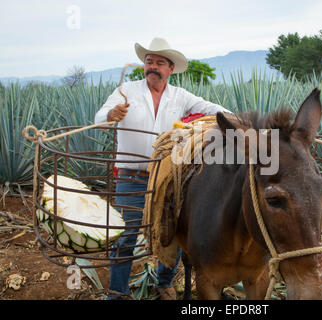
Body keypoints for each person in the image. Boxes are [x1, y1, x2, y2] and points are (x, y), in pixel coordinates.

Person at [94, 37, 231, 300]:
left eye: (159, 63)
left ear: (170, 68)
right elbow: (99, 118)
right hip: (130, 176)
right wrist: (111, 115)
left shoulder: (180, 96)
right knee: (125, 237)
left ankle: (164, 282)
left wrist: (236, 120)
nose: (152, 67)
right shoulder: (126, 91)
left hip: (167, 176)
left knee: (170, 233)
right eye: (149, 62)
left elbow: (209, 108)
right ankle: (117, 293)